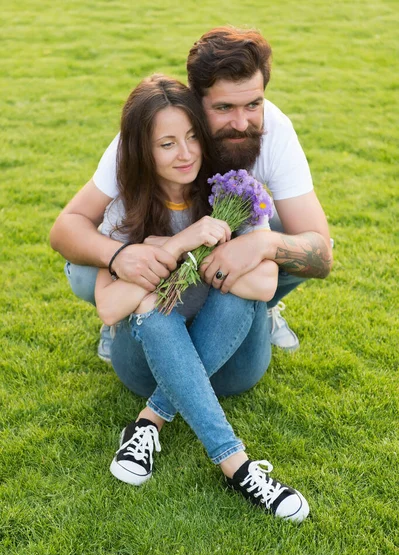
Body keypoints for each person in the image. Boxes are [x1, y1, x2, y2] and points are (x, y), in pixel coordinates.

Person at [91, 73, 309, 522]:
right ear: (141, 149)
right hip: (146, 361)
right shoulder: (125, 206)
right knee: (152, 308)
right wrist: (179, 245)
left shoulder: (231, 193)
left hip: (231, 359)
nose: (186, 153)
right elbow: (109, 307)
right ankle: (238, 467)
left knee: (230, 294)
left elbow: (264, 285)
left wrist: (168, 265)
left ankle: (150, 420)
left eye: (192, 136)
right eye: (167, 143)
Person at [50, 26, 332, 362]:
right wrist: (119, 258)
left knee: (289, 238)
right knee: (84, 269)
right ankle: (125, 319)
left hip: (228, 241)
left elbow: (321, 252)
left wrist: (262, 244)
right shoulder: (150, 132)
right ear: (195, 100)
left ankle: (263, 307)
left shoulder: (276, 131)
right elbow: (66, 226)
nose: (242, 123)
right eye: (224, 107)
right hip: (154, 244)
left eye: (253, 104)